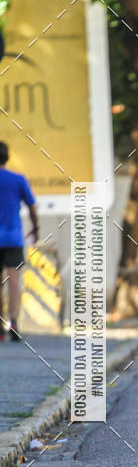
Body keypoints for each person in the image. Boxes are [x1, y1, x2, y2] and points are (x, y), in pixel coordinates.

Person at [0, 141, 38, 341]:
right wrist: (36, 228)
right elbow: (32, 207)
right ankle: (13, 322)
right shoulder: (18, 180)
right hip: (13, 238)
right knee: (13, 281)